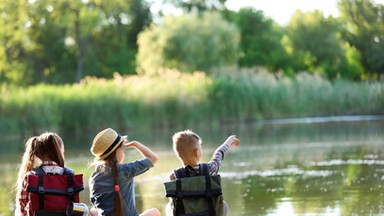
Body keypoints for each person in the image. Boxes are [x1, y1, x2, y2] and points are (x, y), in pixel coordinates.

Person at [165, 129, 240, 216]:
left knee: (168, 206)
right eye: (200, 147)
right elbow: (218, 154)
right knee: (224, 205)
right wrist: (229, 141)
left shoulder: (174, 176)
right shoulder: (210, 169)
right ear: (197, 152)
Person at [89, 128, 160, 216]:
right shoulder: (125, 170)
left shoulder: (94, 177)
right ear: (117, 152)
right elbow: (153, 158)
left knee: (92, 211)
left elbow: (96, 204)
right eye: (123, 149)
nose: (124, 153)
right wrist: (135, 144)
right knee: (155, 212)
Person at [15, 132, 84, 216]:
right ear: (60, 152)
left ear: (38, 153)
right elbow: (75, 208)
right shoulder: (70, 176)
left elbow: (22, 209)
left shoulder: (30, 177)